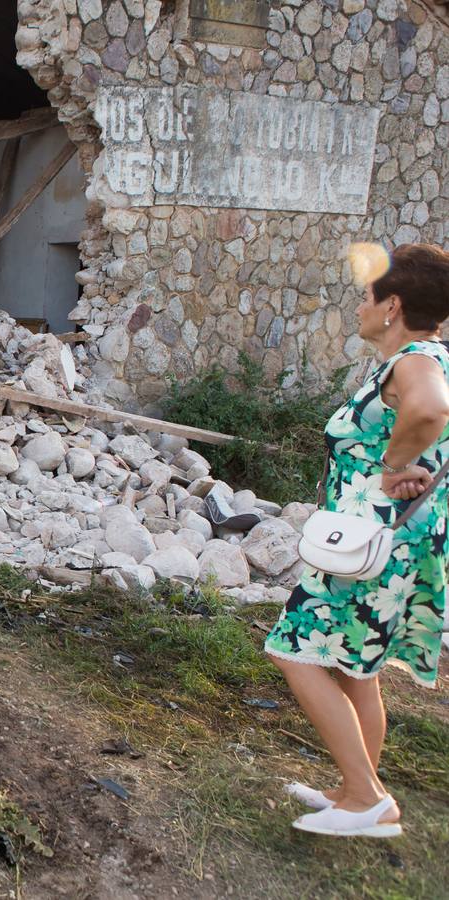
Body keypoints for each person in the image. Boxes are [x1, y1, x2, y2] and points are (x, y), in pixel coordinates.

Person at [265, 243, 449, 838]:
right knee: (355, 666)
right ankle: (354, 788)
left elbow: (429, 410)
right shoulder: (432, 355)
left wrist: (393, 464)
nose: (360, 306)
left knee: (293, 648)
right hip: (394, 543)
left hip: (376, 540)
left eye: (366, 296)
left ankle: (367, 799)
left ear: (391, 305)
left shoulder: (416, 361)